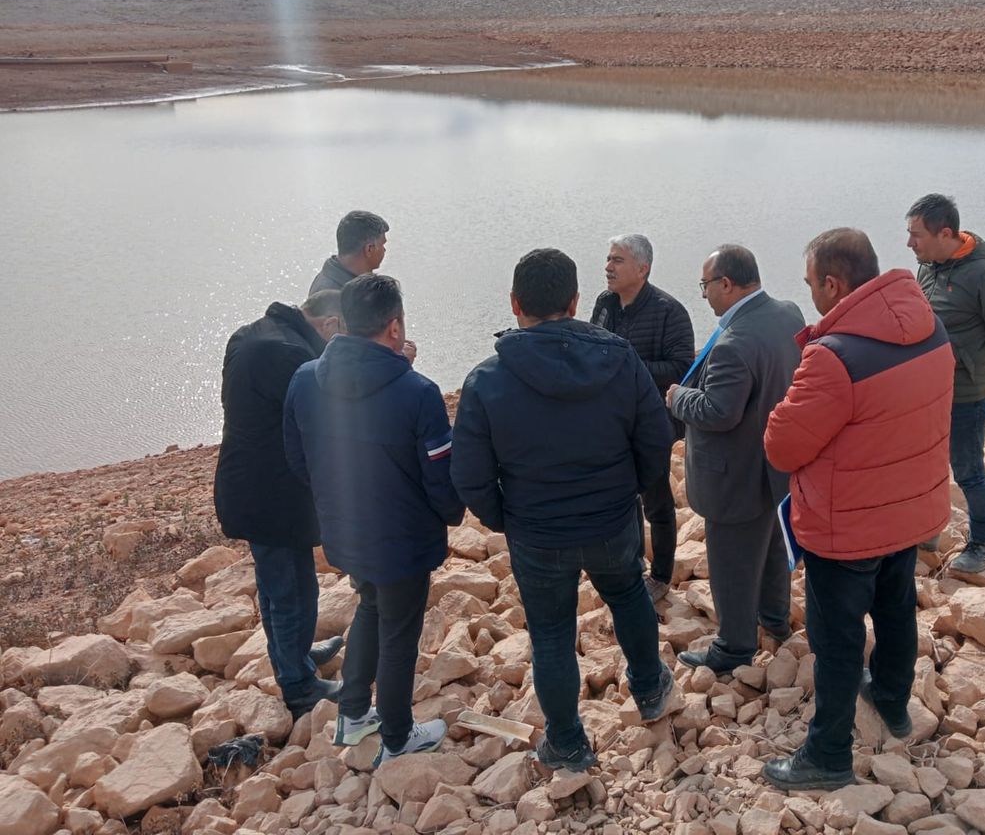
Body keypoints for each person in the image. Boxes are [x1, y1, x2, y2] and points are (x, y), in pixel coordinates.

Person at [451, 248, 676, 773]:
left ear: (514, 304)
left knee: (551, 633)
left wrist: (505, 517)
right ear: (575, 302)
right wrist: (631, 492)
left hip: (537, 531)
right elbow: (656, 439)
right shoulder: (620, 359)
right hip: (611, 520)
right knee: (628, 595)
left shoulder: (487, 379)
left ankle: (569, 745)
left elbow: (469, 475)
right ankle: (651, 693)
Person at [761, 229, 954, 790]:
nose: (812, 296)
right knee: (896, 611)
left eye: (810, 284)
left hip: (847, 525)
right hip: (909, 509)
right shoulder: (929, 328)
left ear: (833, 283)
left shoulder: (833, 357)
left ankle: (826, 756)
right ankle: (893, 702)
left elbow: (783, 445)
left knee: (837, 640)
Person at [283, 274, 464, 765]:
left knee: (370, 605)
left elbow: (298, 461)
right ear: (394, 328)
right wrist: (452, 516)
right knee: (400, 633)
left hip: (344, 531)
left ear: (343, 324)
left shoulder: (304, 379)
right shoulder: (418, 392)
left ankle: (354, 711)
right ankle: (399, 736)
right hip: (403, 541)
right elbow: (439, 480)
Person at [665, 244, 804, 674]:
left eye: (705, 285)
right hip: (774, 466)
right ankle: (775, 620)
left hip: (732, 474)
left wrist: (678, 397)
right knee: (771, 546)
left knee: (730, 564)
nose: (703, 294)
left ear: (726, 284)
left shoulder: (733, 342)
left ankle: (734, 647)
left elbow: (718, 411)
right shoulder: (788, 314)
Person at [213, 291, 347, 717]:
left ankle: (298, 655)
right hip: (270, 491)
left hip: (253, 482)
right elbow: (322, 420)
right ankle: (298, 684)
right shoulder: (288, 354)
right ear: (329, 325)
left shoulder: (255, 333)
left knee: (284, 581)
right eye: (342, 335)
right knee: (288, 587)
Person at [907, 193, 985, 572]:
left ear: (945, 233)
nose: (910, 244)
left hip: (967, 393)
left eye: (917, 235)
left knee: (968, 467)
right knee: (925, 462)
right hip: (928, 389)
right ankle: (925, 531)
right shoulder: (929, 267)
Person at [591, 234, 695, 600]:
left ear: (643, 268)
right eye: (608, 259)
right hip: (611, 419)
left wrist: (626, 364)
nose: (608, 267)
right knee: (622, 494)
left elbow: (682, 369)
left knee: (656, 497)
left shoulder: (670, 311)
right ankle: (631, 564)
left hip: (654, 421)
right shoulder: (605, 304)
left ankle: (662, 575)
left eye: (617, 260)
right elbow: (594, 349)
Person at [309, 211, 389, 295]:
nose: (384, 250)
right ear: (369, 249)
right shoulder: (332, 295)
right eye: (382, 244)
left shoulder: (353, 281)